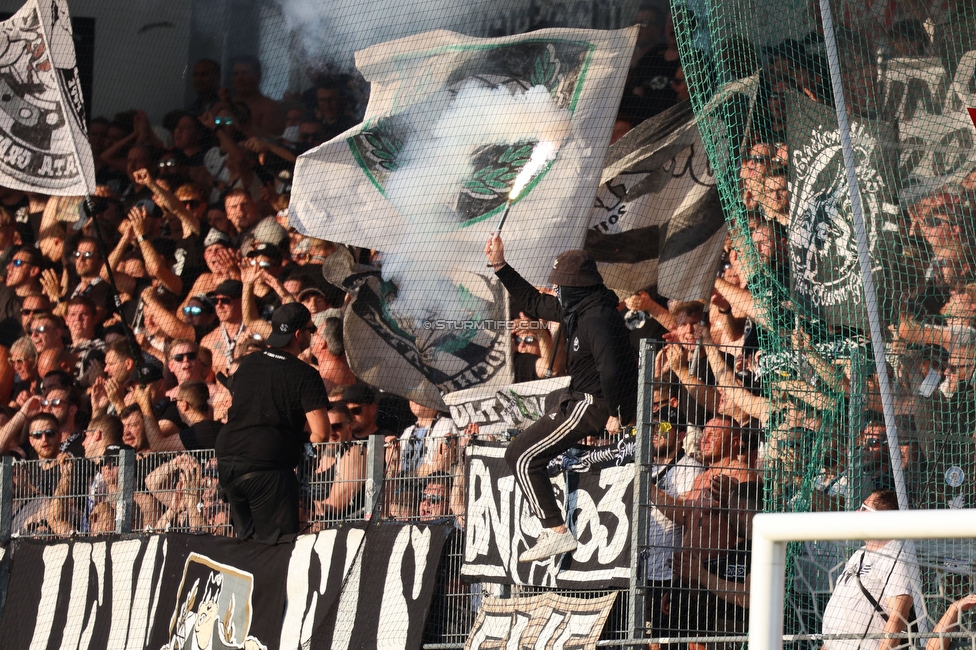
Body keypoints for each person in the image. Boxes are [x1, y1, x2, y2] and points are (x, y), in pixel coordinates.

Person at [484, 236, 638, 562]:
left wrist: (618, 410)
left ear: (575, 286)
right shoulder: (576, 308)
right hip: (576, 398)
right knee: (528, 436)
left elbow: (612, 370)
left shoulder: (597, 318)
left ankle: (555, 532)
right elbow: (533, 300)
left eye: (558, 286)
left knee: (522, 457)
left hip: (591, 404)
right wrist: (500, 265)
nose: (553, 291)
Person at [215, 303, 331, 543]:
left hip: (228, 461)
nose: (312, 333)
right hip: (267, 467)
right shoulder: (305, 374)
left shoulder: (247, 363)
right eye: (311, 329)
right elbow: (320, 434)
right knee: (275, 550)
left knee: (245, 546)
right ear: (299, 334)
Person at [822, 489, 924, 650]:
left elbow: (898, 618)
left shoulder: (898, 555)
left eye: (864, 508)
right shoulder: (859, 553)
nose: (857, 511)